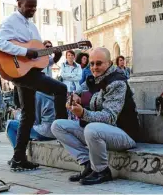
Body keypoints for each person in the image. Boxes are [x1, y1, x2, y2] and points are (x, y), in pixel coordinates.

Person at [0, 0, 67, 171]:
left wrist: (55, 58)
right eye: (29, 6)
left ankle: (19, 158)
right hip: (22, 73)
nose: (32, 10)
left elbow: (38, 59)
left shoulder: (32, 27)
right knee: (61, 89)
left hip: (27, 72)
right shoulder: (10, 21)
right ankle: (65, 133)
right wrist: (25, 52)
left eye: (34, 7)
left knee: (28, 115)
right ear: (19, 4)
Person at [51, 47, 140, 185]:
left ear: (109, 63)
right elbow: (80, 89)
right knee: (57, 126)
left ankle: (102, 171)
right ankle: (88, 164)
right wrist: (75, 97)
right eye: (91, 64)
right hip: (100, 131)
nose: (94, 67)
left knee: (92, 129)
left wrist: (83, 113)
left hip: (124, 133)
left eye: (99, 63)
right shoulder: (94, 78)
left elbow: (109, 117)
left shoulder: (117, 82)